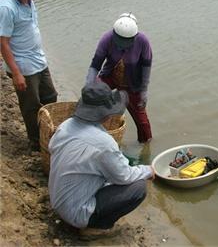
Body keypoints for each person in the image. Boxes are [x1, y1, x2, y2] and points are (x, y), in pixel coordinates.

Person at [48, 81, 154, 233]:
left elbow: (52, 148)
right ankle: (95, 228)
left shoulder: (65, 125)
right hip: (76, 213)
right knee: (138, 188)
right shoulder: (103, 143)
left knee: (109, 172)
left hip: (58, 201)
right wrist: (148, 170)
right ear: (105, 114)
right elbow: (124, 177)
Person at [0, 0, 58, 151]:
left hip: (38, 60)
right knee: (31, 106)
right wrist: (16, 73)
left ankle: (48, 133)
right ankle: (36, 142)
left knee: (50, 96)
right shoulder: (6, 7)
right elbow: (3, 43)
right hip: (23, 66)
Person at [86, 13, 152, 143]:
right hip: (110, 76)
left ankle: (146, 145)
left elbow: (146, 67)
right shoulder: (107, 38)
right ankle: (90, 132)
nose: (122, 46)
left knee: (142, 121)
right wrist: (89, 85)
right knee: (91, 99)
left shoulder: (143, 41)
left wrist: (144, 90)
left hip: (133, 83)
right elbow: (95, 64)